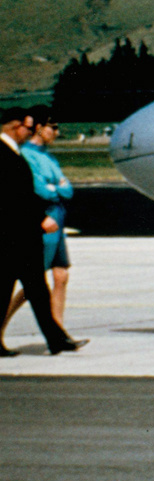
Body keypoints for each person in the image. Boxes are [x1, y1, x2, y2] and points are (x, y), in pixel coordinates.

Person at [0, 107, 85, 355]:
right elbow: (14, 197)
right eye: (28, 127)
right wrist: (40, 217)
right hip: (14, 235)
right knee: (23, 289)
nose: (30, 132)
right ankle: (56, 339)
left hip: (21, 234)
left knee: (34, 288)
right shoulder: (5, 154)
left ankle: (56, 339)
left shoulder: (14, 153)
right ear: (15, 127)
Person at [5, 113, 72, 327]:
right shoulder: (27, 154)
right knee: (33, 284)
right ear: (40, 128)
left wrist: (57, 187)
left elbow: (68, 190)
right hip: (45, 221)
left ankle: (59, 331)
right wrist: (57, 187)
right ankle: (2, 326)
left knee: (61, 277)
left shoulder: (49, 157)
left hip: (58, 220)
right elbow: (39, 190)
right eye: (53, 127)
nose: (57, 132)